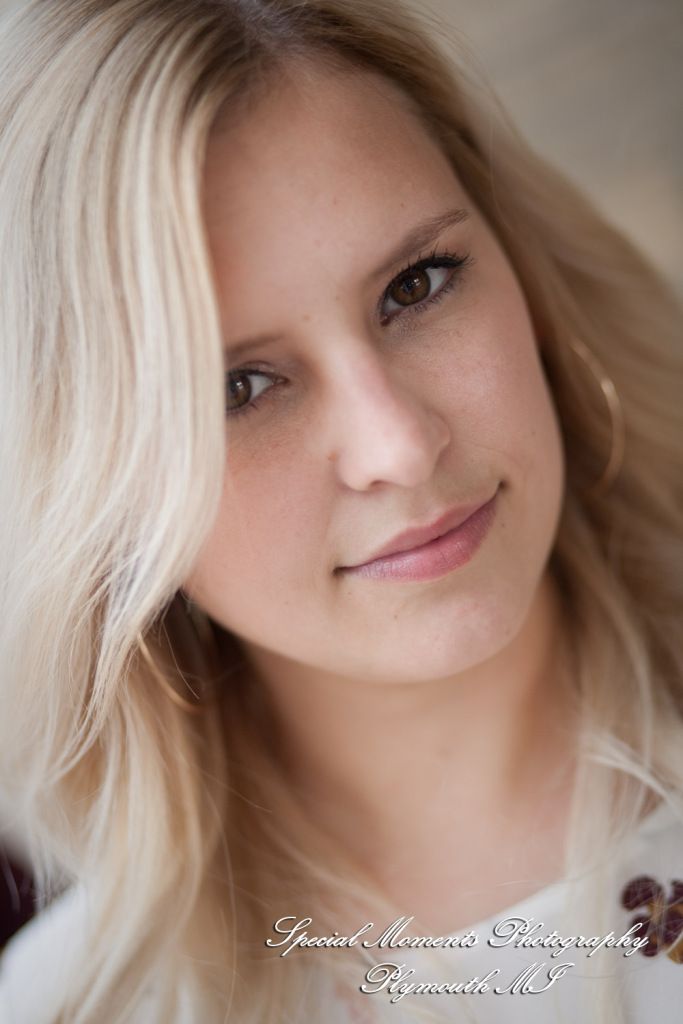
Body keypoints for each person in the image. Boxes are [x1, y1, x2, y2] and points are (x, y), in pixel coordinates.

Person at [0, 0, 682, 1021]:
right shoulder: (87, 1004)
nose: (398, 445)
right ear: (97, 492)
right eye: (235, 389)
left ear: (523, 271)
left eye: (416, 283)